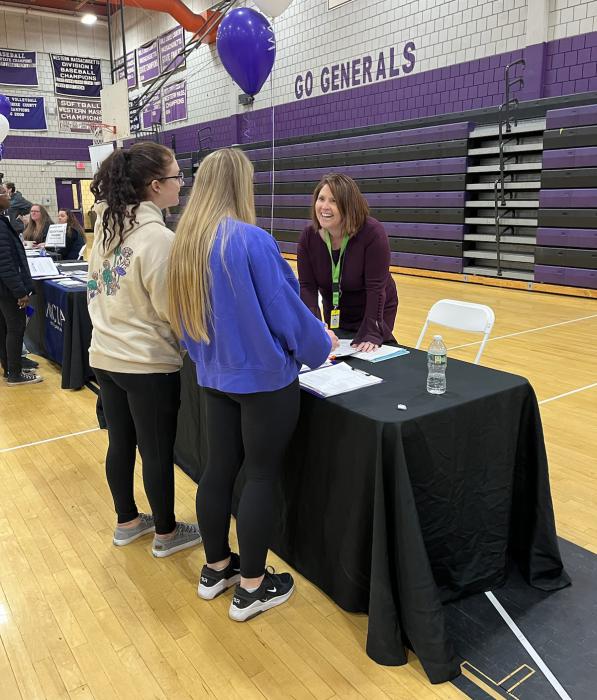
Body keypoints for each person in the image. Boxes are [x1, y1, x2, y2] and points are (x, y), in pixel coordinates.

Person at [168, 148, 337, 621]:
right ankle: (253, 587)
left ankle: (216, 568)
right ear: (242, 186)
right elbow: (288, 315)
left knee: (218, 470)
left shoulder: (185, 242)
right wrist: (319, 345)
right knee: (260, 475)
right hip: (263, 380)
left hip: (213, 375)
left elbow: (181, 318)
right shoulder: (251, 241)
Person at [87, 142, 202, 558]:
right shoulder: (158, 239)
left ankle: (127, 521)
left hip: (105, 354)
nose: (180, 185)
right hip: (146, 362)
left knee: (120, 442)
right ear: (155, 186)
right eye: (176, 178)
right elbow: (174, 310)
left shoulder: (104, 228)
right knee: (155, 450)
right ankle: (167, 534)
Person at [297, 173, 398, 351]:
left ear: (348, 205)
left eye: (333, 201)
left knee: (367, 354)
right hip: (336, 311)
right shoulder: (308, 237)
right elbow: (307, 288)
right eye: (321, 199)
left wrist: (372, 330)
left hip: (374, 311)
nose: (324, 207)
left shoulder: (372, 233)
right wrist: (316, 330)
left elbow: (376, 288)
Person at [0, 183, 42, 386]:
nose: (9, 197)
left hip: (3, 287)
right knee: (15, 328)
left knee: (4, 328)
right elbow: (5, 263)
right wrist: (20, 291)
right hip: (7, 289)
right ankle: (15, 374)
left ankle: (9, 367)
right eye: (4, 193)